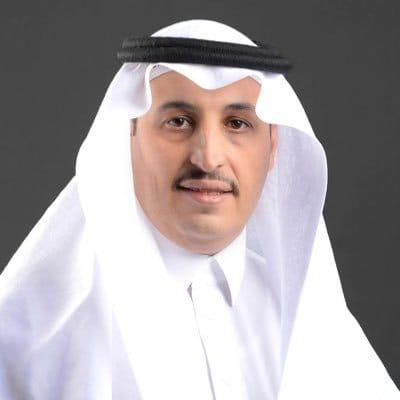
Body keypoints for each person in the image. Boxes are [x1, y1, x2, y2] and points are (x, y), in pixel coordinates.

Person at [0, 18, 398, 400]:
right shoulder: (34, 335)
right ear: (127, 137)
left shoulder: (314, 323)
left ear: (272, 146)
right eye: (178, 121)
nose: (208, 158)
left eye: (237, 124)